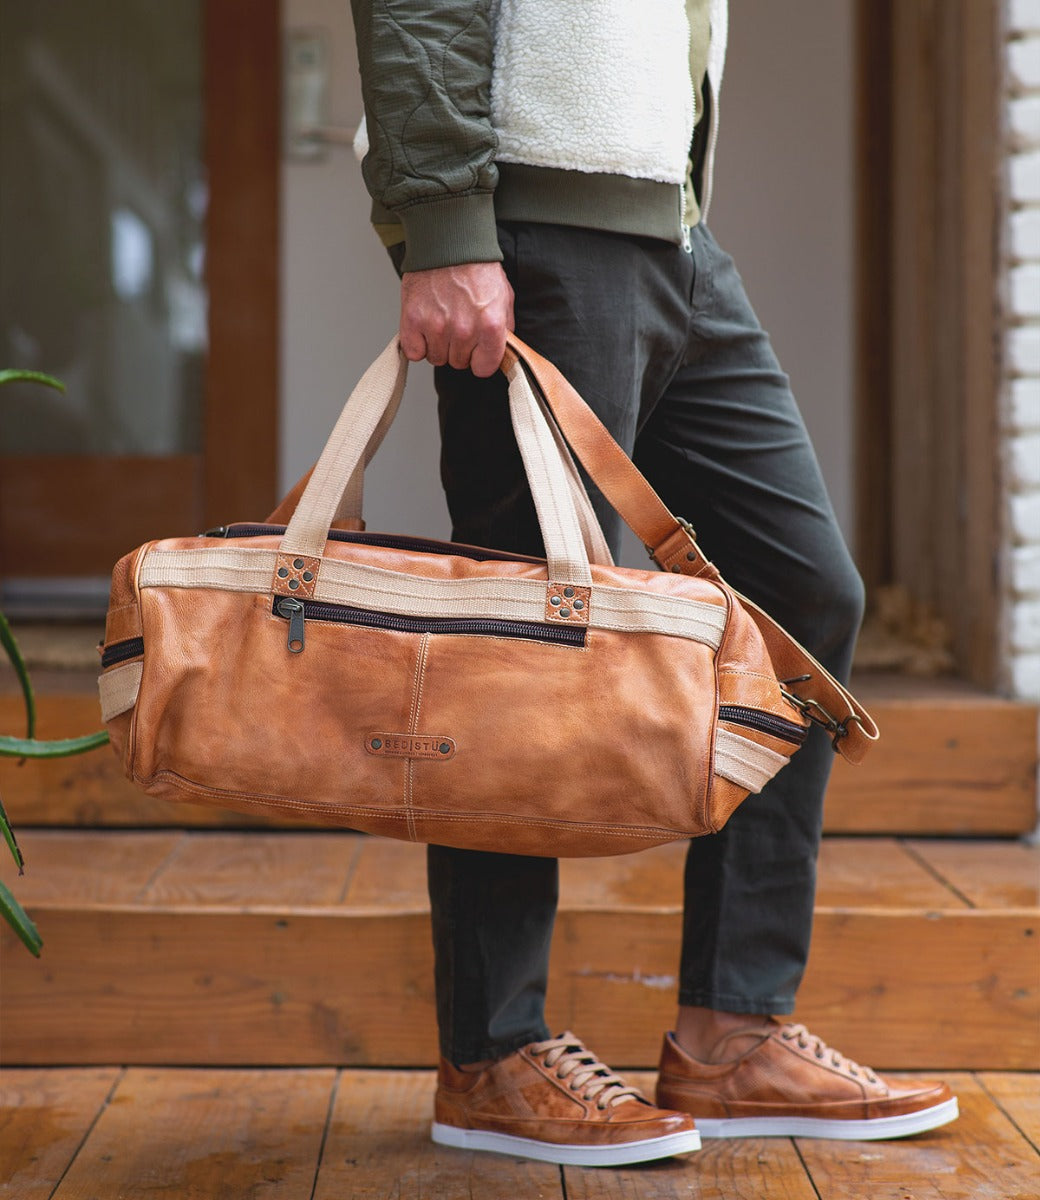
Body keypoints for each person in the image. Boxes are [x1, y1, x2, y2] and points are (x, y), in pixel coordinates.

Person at [348, 0, 959, 1167]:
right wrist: (442, 220)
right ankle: (489, 1054)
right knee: (528, 637)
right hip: (532, 215)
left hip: (669, 227)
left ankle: (731, 1030)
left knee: (796, 591)